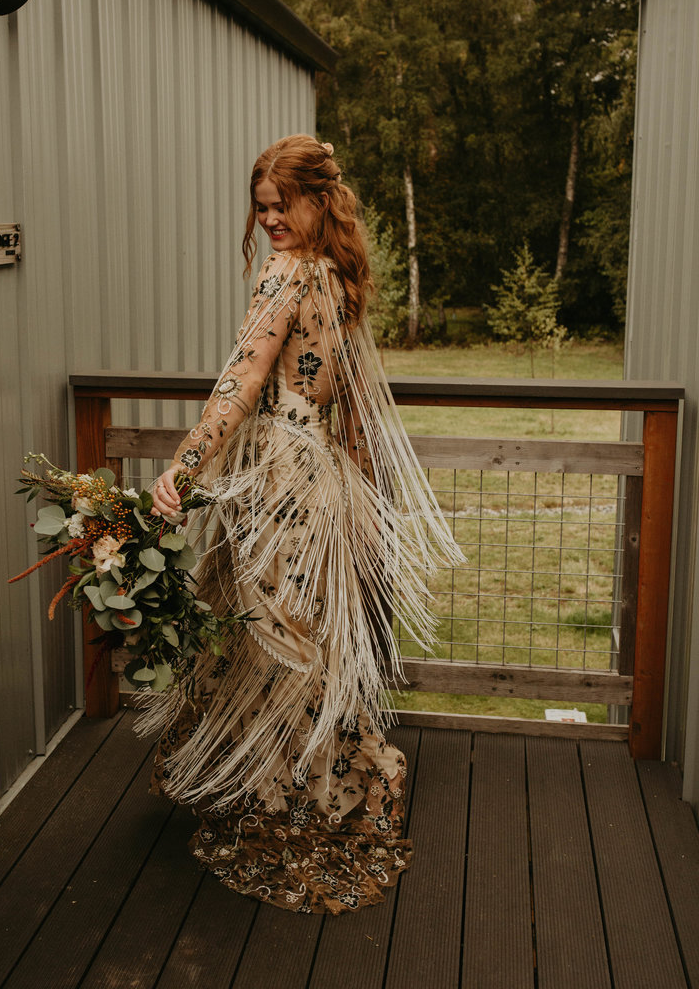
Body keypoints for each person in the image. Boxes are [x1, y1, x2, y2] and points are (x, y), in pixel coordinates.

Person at [147, 134, 464, 914]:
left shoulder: (287, 275)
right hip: (316, 476)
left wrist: (182, 469)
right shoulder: (338, 279)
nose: (269, 221)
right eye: (260, 210)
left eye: (280, 205)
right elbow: (347, 405)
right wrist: (358, 491)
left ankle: (294, 797)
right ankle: (321, 784)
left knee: (275, 641)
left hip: (278, 481)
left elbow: (242, 378)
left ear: (318, 200)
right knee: (304, 641)